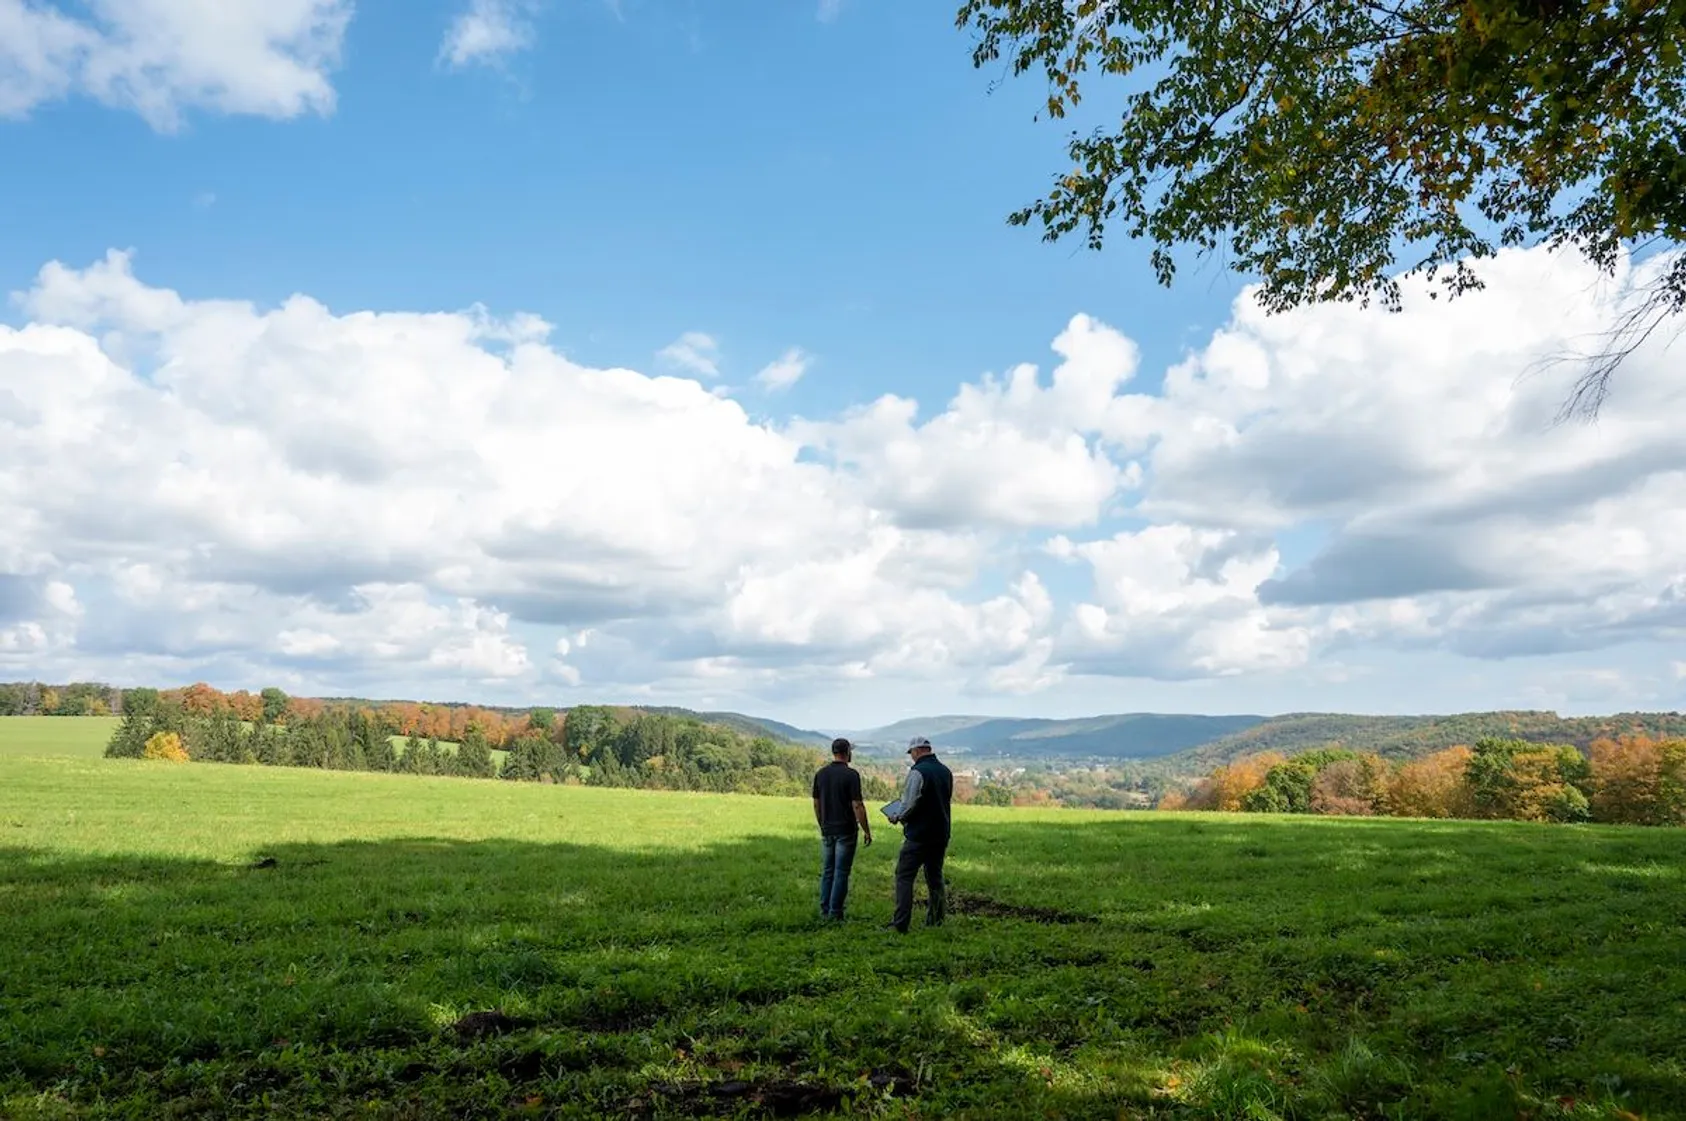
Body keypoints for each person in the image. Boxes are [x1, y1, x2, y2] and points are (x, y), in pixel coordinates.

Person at [885, 735, 953, 934]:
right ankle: (936, 920)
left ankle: (900, 924)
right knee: (935, 877)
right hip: (941, 832)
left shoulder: (917, 772)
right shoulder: (945, 771)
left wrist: (897, 816)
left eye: (911, 754)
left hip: (919, 835)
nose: (911, 758)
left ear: (917, 751)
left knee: (904, 876)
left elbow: (910, 803)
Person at [812, 737, 871, 921]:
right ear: (847, 753)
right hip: (846, 830)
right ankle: (835, 913)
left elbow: (816, 803)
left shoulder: (820, 774)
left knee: (828, 870)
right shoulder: (851, 775)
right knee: (841, 872)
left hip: (827, 829)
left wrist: (822, 824)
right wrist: (866, 830)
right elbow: (858, 805)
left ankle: (824, 910)